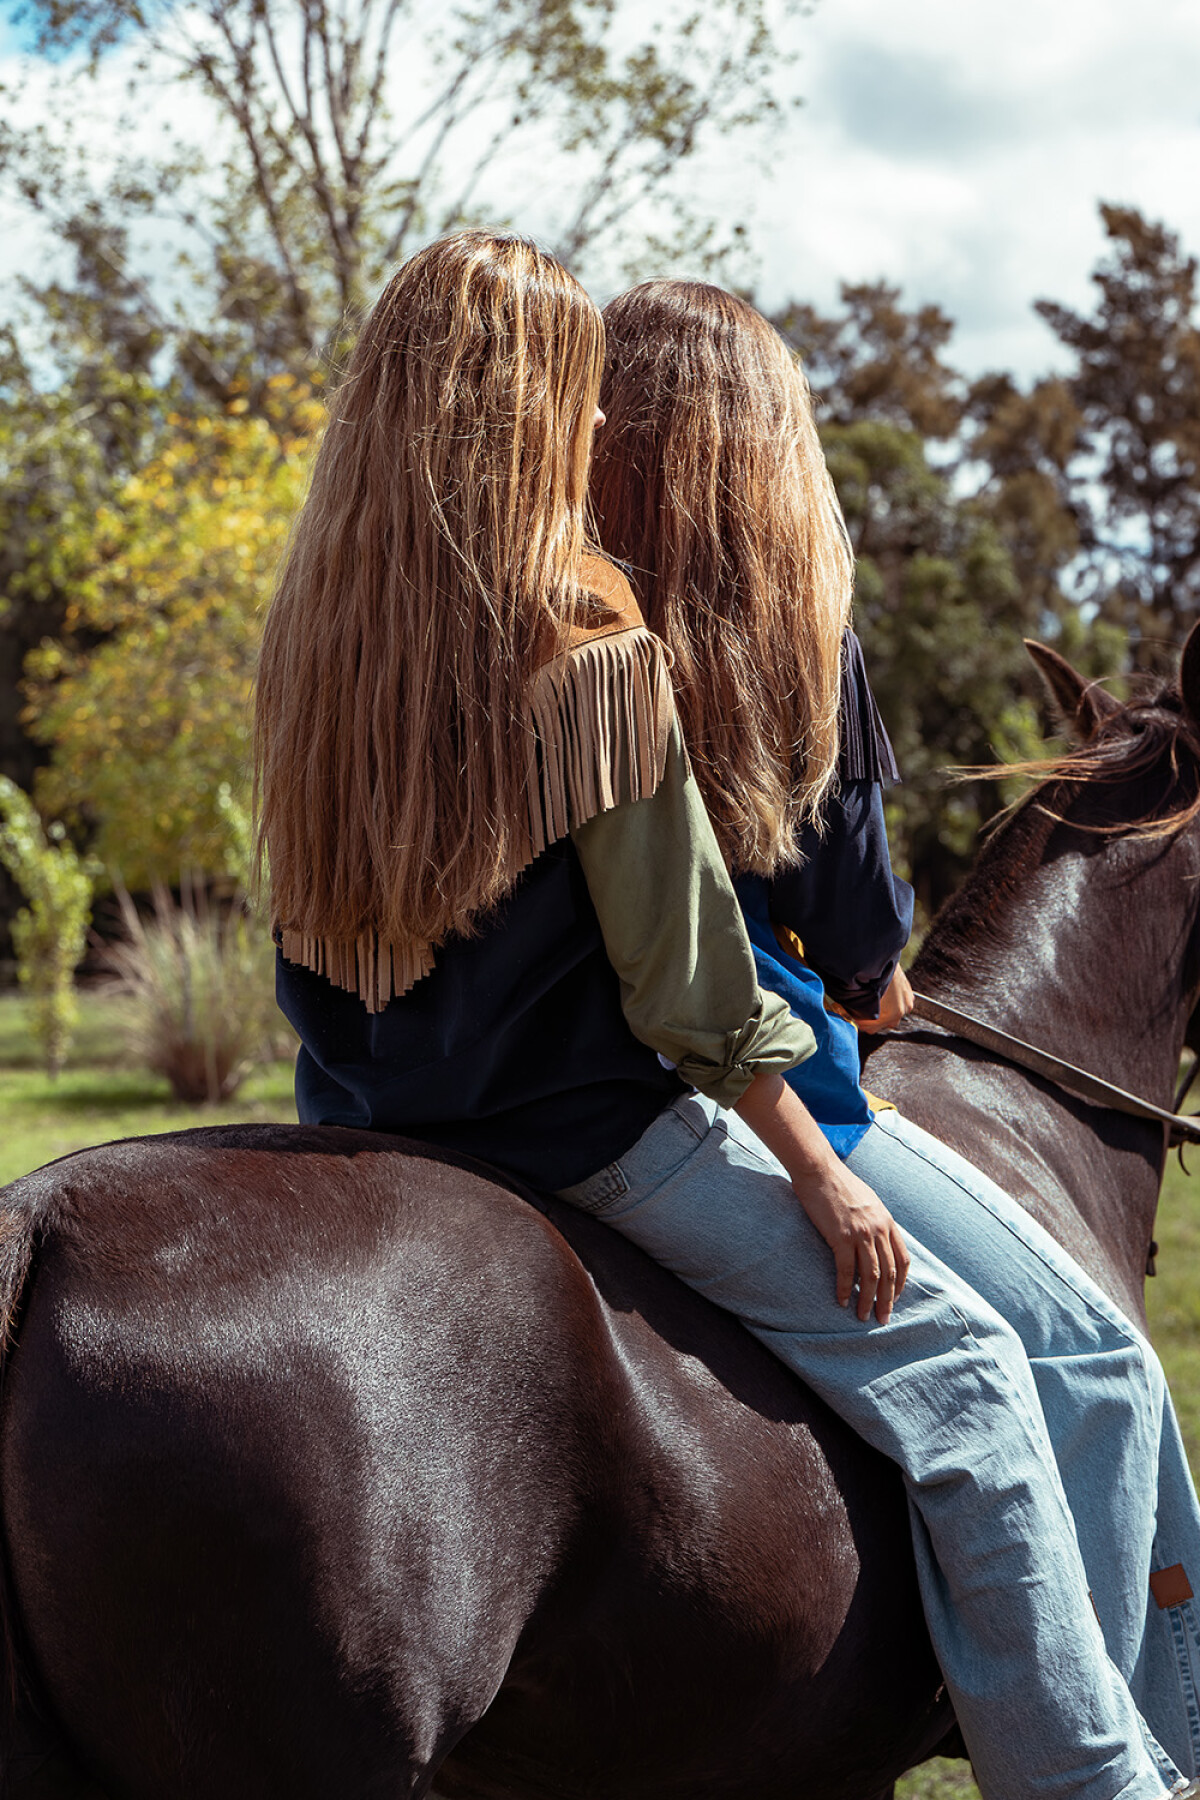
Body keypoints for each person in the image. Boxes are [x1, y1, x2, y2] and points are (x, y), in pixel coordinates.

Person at [256, 228, 1187, 1800]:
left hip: (363, 1115)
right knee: (974, 1378)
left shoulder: (324, 649)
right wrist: (823, 1173)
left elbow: (329, 936)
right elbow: (689, 984)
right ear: (537, 403)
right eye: (575, 389)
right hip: (592, 1130)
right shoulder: (592, 651)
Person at [589, 275, 1200, 1787]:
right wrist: (871, 979)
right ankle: (1141, 1756)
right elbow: (854, 920)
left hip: (531, 1061)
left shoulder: (553, 609)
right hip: (743, 1080)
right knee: (1094, 1368)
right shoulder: (786, 621)